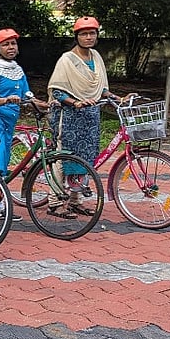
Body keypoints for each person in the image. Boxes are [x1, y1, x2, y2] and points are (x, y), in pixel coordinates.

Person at [47, 16, 128, 216]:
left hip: (90, 116)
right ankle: (54, 202)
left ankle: (76, 200)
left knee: (85, 159)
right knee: (63, 157)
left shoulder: (96, 57)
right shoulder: (67, 60)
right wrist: (75, 102)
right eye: (84, 34)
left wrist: (118, 98)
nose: (89, 37)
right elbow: (57, 91)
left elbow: (101, 90)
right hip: (69, 116)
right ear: (77, 37)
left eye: (92, 33)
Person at [0, 29, 46, 216]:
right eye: (6, 44)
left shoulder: (17, 69)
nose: (11, 47)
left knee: (3, 158)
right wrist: (6, 100)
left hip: (7, 121)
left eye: (13, 43)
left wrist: (43, 104)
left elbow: (27, 95)